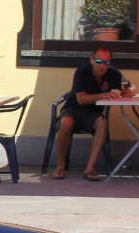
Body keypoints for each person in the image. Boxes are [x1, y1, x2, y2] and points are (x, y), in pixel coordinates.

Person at [50, 45, 126, 180]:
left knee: (102, 122)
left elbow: (129, 85)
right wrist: (103, 95)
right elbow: (81, 99)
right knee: (66, 122)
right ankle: (60, 166)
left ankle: (90, 168)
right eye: (98, 61)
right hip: (73, 109)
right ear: (91, 59)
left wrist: (130, 89)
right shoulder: (82, 72)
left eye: (106, 62)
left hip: (93, 114)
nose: (102, 65)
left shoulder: (113, 73)